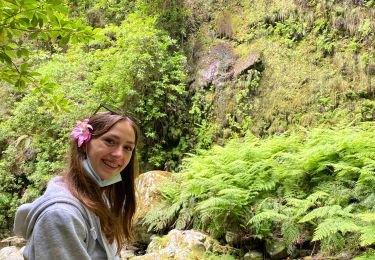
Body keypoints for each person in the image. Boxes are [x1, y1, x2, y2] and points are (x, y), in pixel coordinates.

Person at [14, 105, 140, 259]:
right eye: (110, 141)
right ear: (85, 143)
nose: (119, 154)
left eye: (127, 147)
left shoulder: (99, 196)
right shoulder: (61, 216)